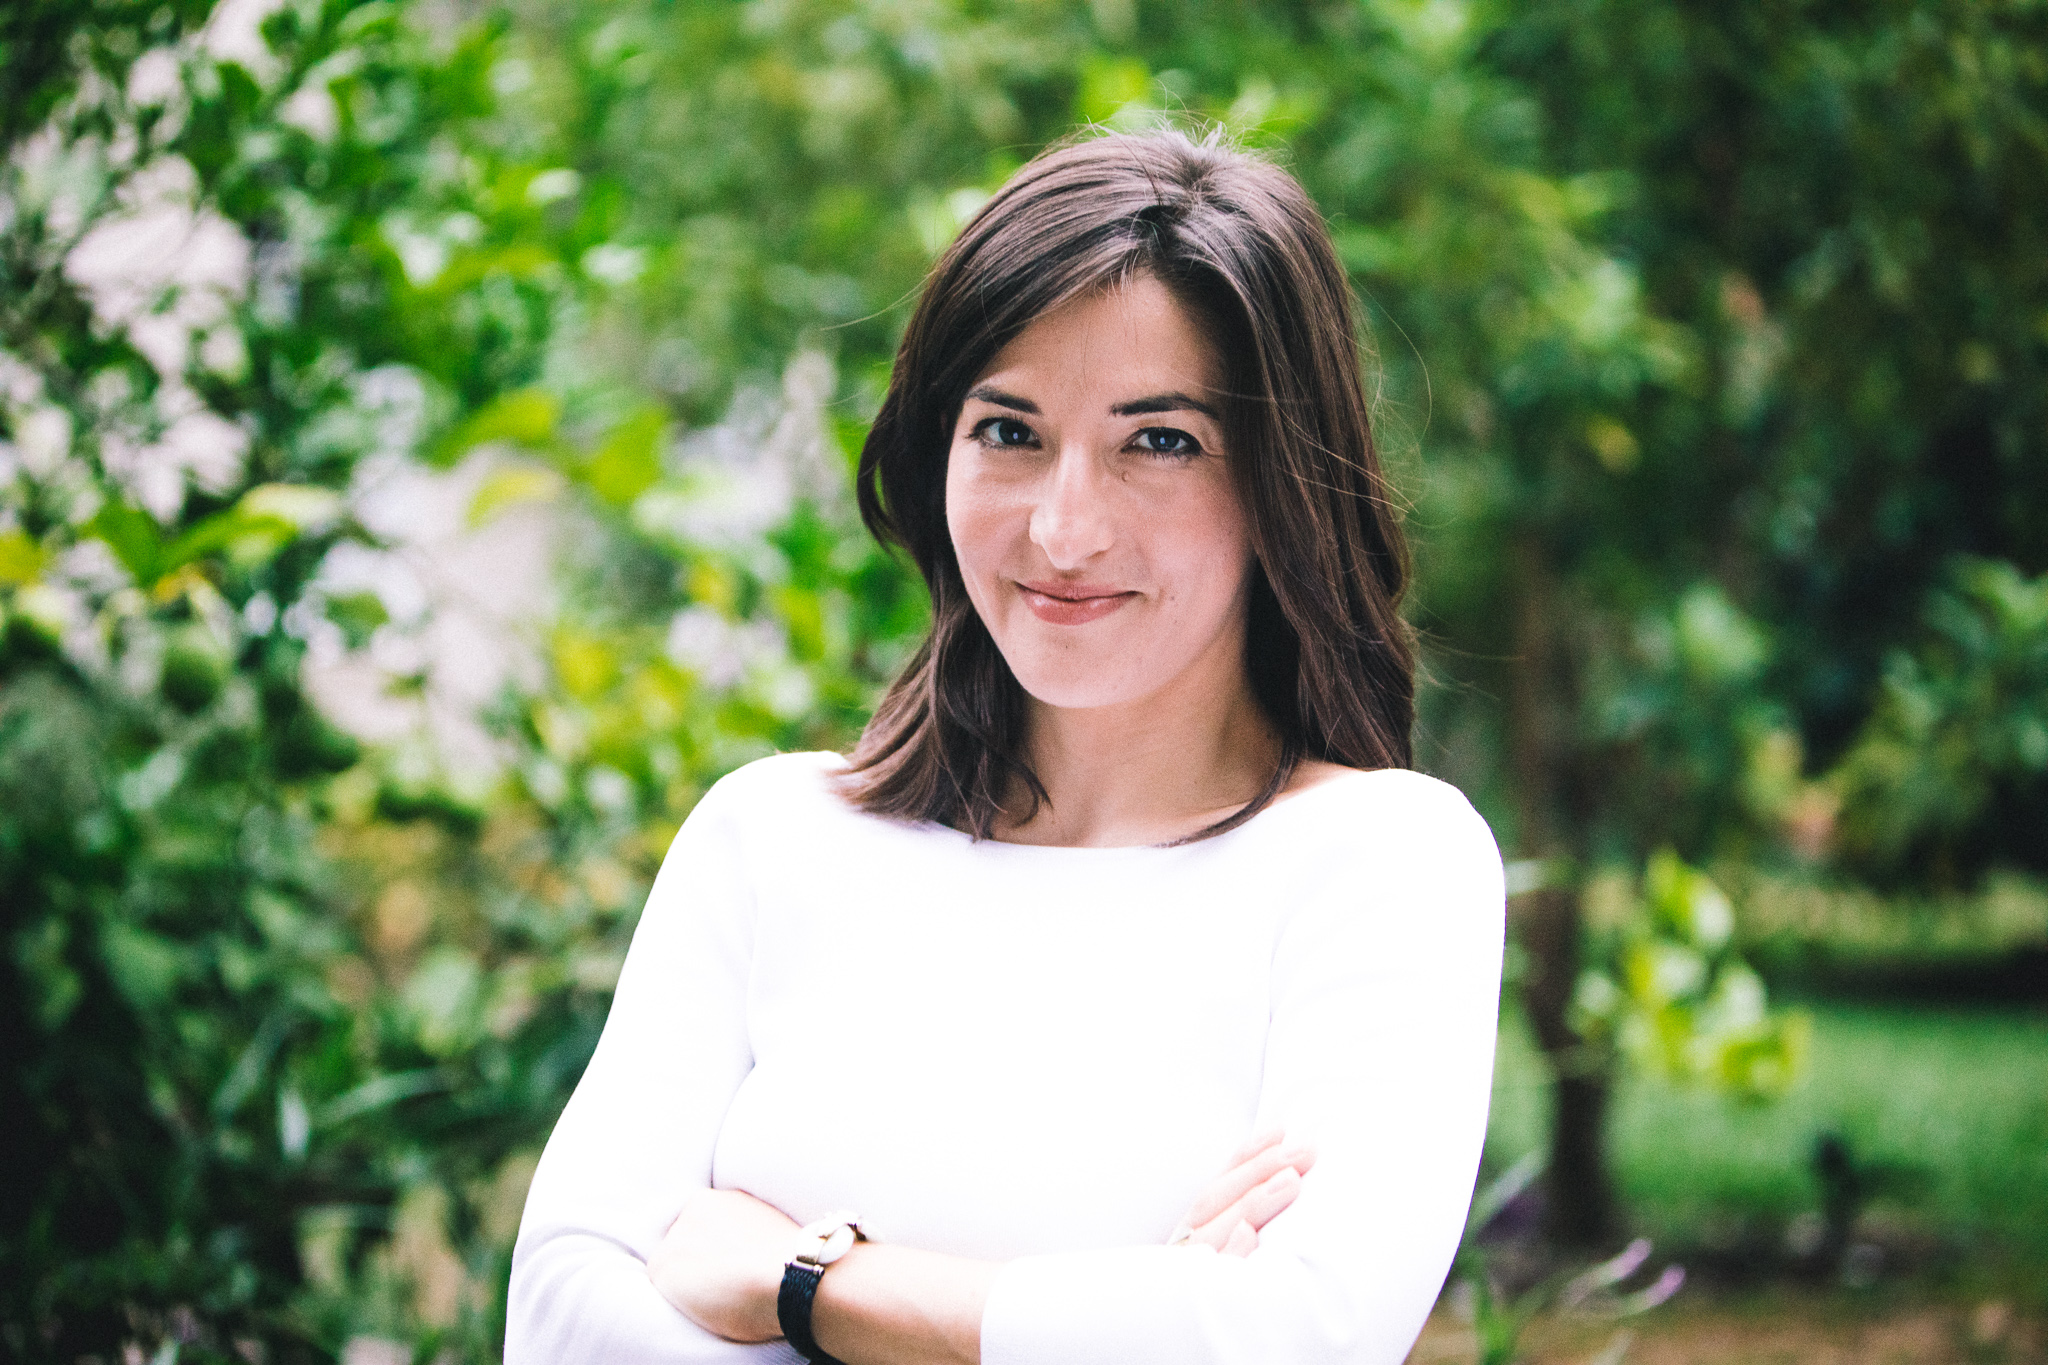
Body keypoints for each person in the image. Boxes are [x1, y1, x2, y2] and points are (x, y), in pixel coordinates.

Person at [506, 127, 1505, 1365]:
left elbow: (1292, 1337)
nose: (1063, 527)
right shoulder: (767, 840)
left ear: (1280, 483)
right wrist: (1116, 1313)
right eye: (1008, 430)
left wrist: (803, 1282)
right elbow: (560, 1319)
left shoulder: (1380, 863)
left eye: (1159, 440)